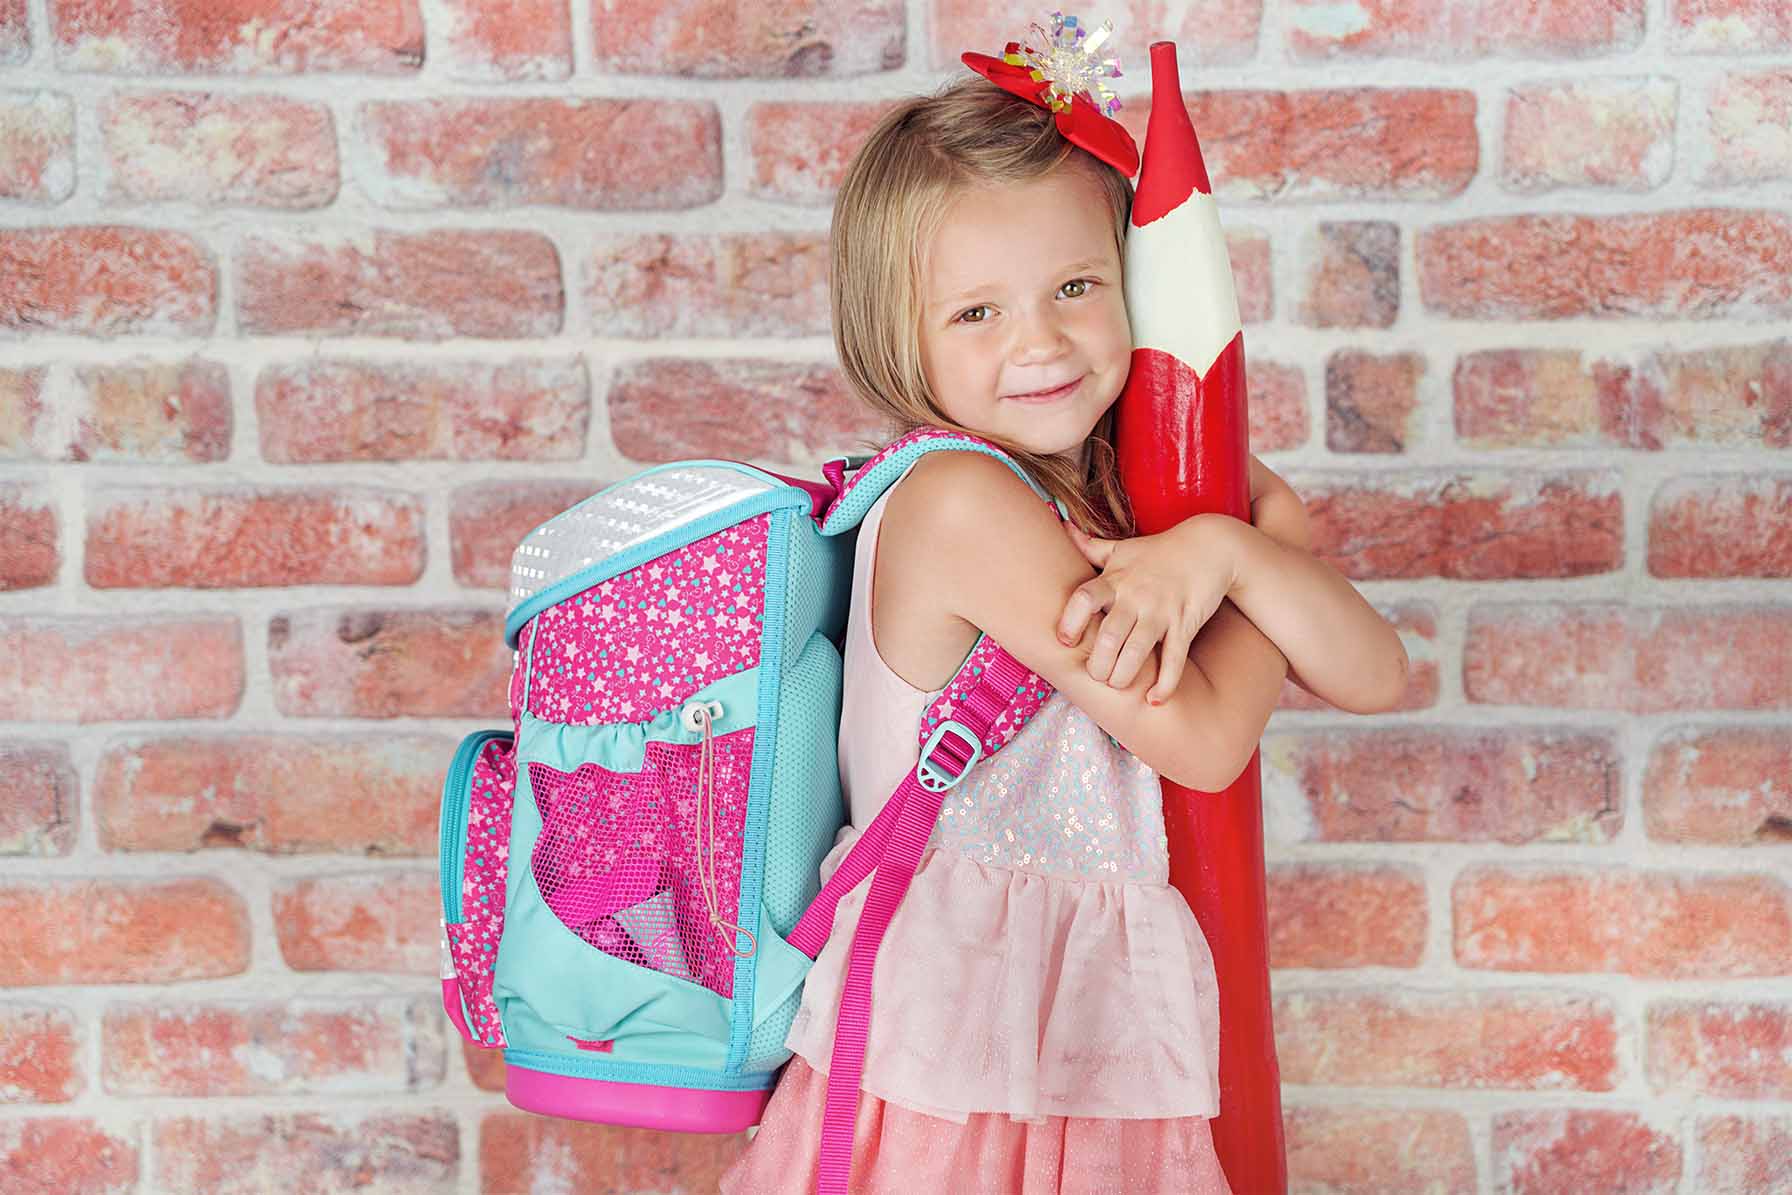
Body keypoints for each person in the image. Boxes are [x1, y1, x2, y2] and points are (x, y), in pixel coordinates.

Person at [721, 35, 1409, 1195]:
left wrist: (1225, 549)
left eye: (1075, 289)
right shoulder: (957, 500)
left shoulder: (1132, 491)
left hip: (1085, 1022)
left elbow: (1374, 672)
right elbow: (1198, 736)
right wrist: (1251, 555)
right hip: (965, 1044)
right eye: (977, 312)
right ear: (902, 332)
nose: (1039, 342)